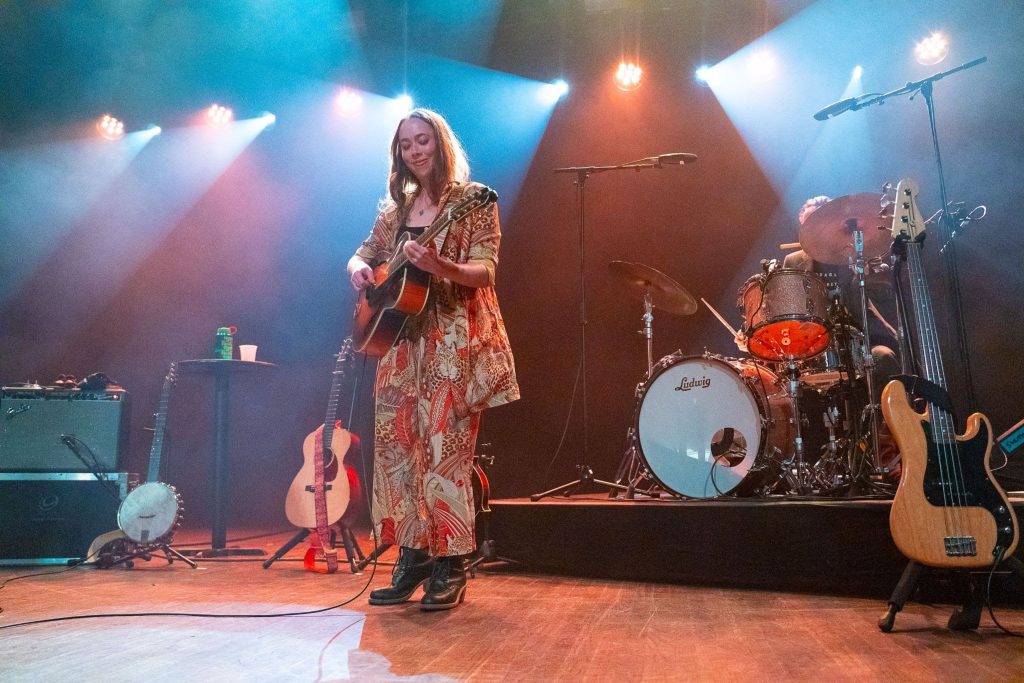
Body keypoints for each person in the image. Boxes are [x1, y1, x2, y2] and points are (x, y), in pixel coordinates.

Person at [347, 108, 519, 611]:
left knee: (445, 454)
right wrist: (360, 270)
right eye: (406, 145)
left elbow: (485, 271)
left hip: (453, 341)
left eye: (424, 140)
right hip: (400, 345)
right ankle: (414, 555)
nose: (416, 150)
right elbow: (361, 254)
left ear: (440, 143)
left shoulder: (471, 201)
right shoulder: (395, 212)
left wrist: (439, 264)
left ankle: (453, 563)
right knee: (398, 452)